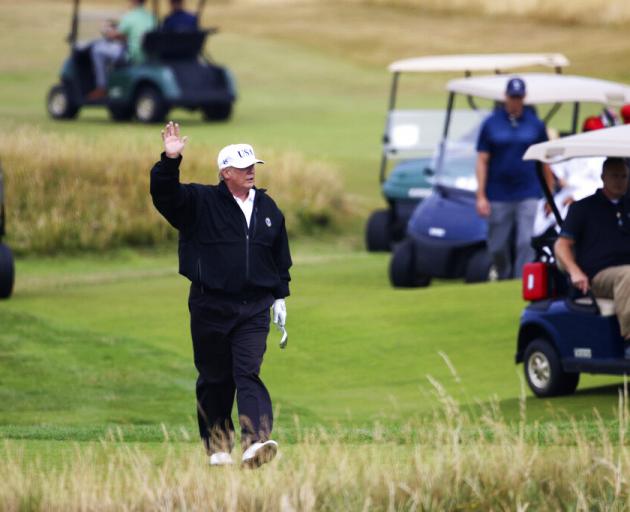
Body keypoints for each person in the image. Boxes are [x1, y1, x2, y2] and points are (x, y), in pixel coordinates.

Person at [150, 121, 292, 468]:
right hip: (209, 304)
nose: (250, 173)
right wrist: (170, 160)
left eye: (253, 167)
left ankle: (256, 443)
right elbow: (165, 196)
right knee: (215, 378)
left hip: (253, 307)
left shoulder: (268, 208)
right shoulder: (199, 202)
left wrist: (280, 296)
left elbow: (278, 256)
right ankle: (218, 446)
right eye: (243, 168)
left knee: (248, 372)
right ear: (225, 172)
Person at [476, 77, 554, 279]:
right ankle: (503, 275)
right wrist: (481, 195)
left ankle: (520, 282)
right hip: (498, 193)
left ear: (524, 98)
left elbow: (544, 161)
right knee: (498, 245)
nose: (515, 101)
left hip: (527, 190)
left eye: (519, 97)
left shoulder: (535, 125)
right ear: (506, 97)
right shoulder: (491, 124)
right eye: (512, 97)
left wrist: (550, 194)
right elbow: (482, 160)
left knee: (524, 241)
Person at [554, 157, 630, 341]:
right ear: (603, 177)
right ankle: (628, 337)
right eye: (615, 176)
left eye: (624, 176)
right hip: (598, 276)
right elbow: (561, 245)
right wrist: (575, 272)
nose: (620, 181)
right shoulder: (583, 208)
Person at [533, 116, 605, 236]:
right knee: (541, 216)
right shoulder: (574, 150)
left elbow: (600, 185)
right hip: (565, 194)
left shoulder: (602, 158)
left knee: (568, 216)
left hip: (588, 197)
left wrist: (576, 196)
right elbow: (553, 166)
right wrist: (558, 181)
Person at [88, 0, 157, 99]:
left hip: (132, 55)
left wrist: (106, 30)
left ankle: (101, 87)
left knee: (97, 50)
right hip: (148, 56)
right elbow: (130, 36)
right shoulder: (151, 17)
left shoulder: (130, 16)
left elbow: (114, 35)